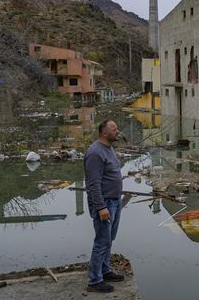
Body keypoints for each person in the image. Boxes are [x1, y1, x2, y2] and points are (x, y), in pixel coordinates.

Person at [84, 119, 125, 293]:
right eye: (114, 129)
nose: (118, 131)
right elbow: (93, 183)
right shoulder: (95, 153)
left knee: (109, 240)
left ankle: (105, 270)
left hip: (114, 201)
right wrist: (101, 207)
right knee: (101, 241)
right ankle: (94, 280)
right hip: (105, 204)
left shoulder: (109, 148)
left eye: (117, 128)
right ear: (104, 133)